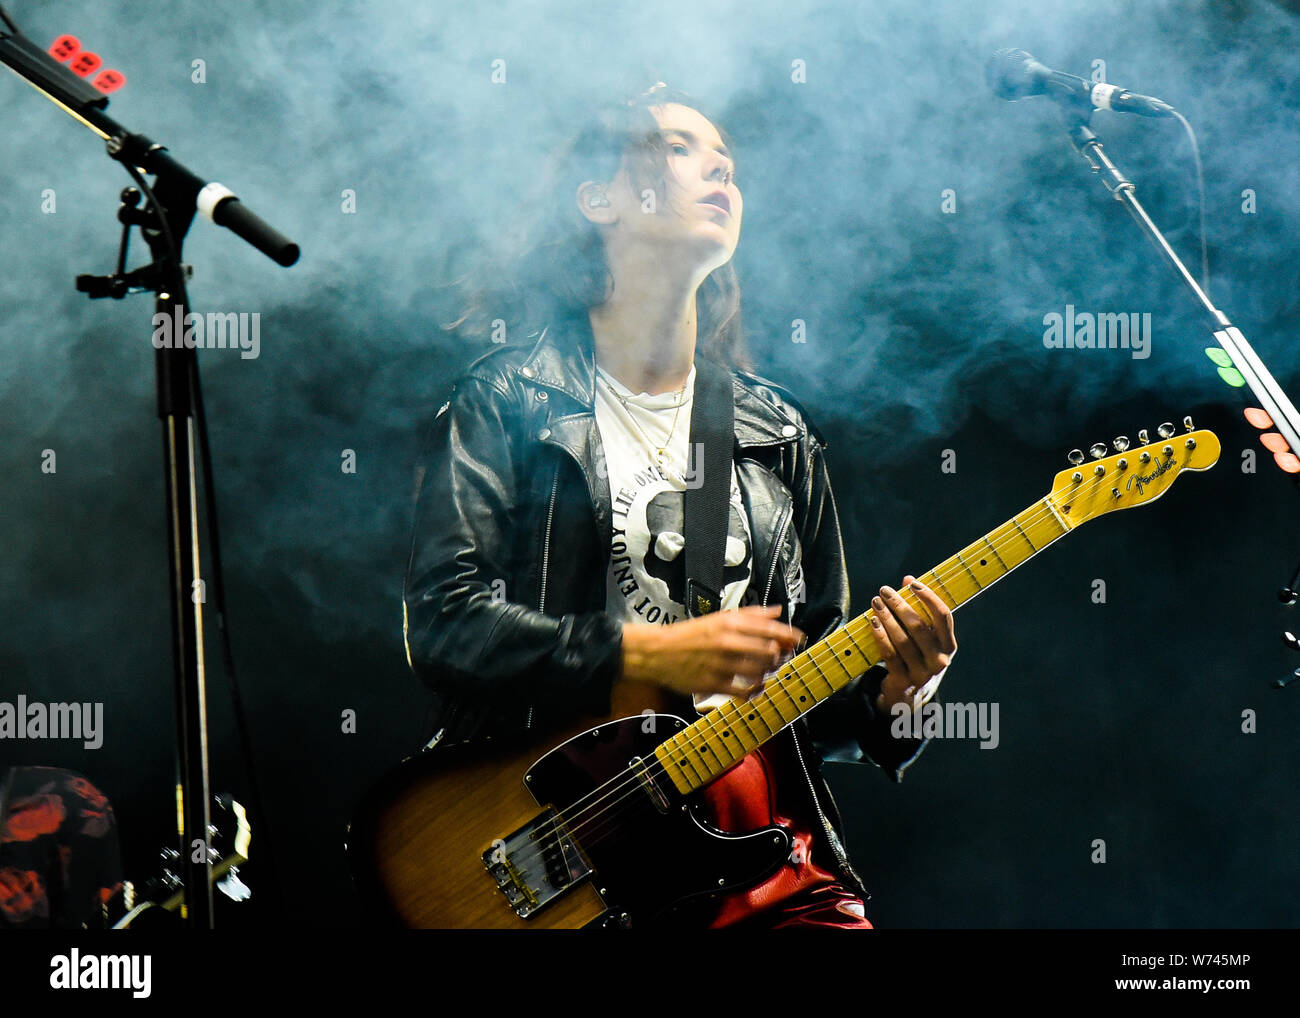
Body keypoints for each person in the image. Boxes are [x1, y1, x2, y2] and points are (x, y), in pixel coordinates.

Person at [403, 83, 957, 929]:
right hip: (576, 857)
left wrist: (900, 697)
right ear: (599, 199)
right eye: (678, 148)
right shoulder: (510, 397)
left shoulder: (777, 433)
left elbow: (815, 698)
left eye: (727, 161)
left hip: (769, 865)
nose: (720, 170)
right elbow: (447, 623)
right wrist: (646, 652)